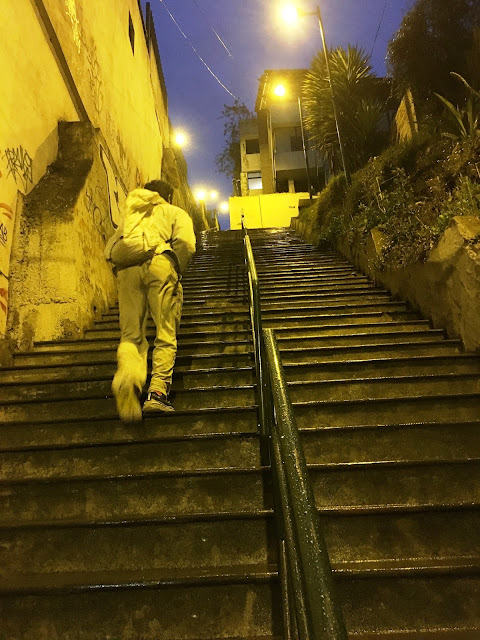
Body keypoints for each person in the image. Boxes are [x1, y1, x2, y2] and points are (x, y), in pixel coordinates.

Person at [105, 179, 196, 421]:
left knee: (131, 334)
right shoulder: (173, 211)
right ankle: (157, 393)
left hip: (127, 270)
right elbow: (186, 243)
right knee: (165, 331)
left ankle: (128, 378)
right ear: (168, 196)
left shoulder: (131, 215)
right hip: (159, 263)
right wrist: (176, 267)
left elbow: (116, 245)